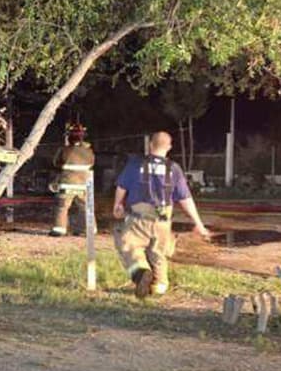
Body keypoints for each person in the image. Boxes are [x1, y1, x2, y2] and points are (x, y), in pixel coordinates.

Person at [113, 131, 211, 298]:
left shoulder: (135, 164)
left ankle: (141, 272)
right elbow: (186, 198)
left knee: (128, 246)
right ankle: (159, 286)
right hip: (163, 221)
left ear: (150, 145)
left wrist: (117, 205)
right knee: (158, 253)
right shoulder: (174, 168)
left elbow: (121, 187)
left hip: (138, 218)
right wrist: (199, 224)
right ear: (169, 147)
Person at [50, 121, 94, 236]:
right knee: (86, 207)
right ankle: (89, 230)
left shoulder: (64, 150)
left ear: (69, 137)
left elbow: (55, 163)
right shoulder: (89, 151)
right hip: (84, 184)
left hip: (67, 183)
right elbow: (92, 163)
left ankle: (59, 230)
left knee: (62, 206)